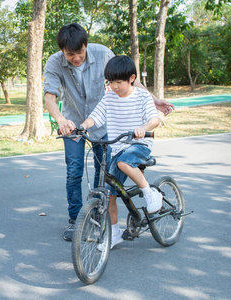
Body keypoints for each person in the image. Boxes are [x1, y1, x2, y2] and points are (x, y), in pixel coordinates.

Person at [44, 23, 174, 242]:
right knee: (74, 170)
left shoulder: (103, 53)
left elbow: (128, 79)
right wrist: (61, 120)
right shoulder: (54, 62)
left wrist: (155, 100)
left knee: (102, 172)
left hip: (105, 124)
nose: (76, 58)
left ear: (86, 44)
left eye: (80, 52)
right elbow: (50, 96)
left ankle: (97, 214)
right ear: (62, 51)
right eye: (70, 54)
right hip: (76, 122)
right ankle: (76, 220)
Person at [80, 55, 162, 248]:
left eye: (119, 82)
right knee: (110, 195)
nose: (114, 86)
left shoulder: (142, 96)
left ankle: (149, 193)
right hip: (116, 147)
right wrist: (83, 126)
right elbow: (96, 116)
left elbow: (154, 119)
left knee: (123, 162)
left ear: (132, 78)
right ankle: (114, 233)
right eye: (111, 82)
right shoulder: (109, 98)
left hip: (139, 145)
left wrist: (143, 127)